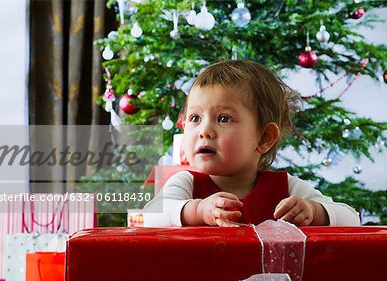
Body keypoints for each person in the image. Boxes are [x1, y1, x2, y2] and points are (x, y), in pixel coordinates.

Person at [144, 59, 360, 227]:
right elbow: (150, 216)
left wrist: (313, 211)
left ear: (264, 138)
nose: (204, 131)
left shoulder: (285, 187)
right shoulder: (187, 185)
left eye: (224, 118)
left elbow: (351, 218)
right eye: (195, 118)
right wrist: (198, 210)